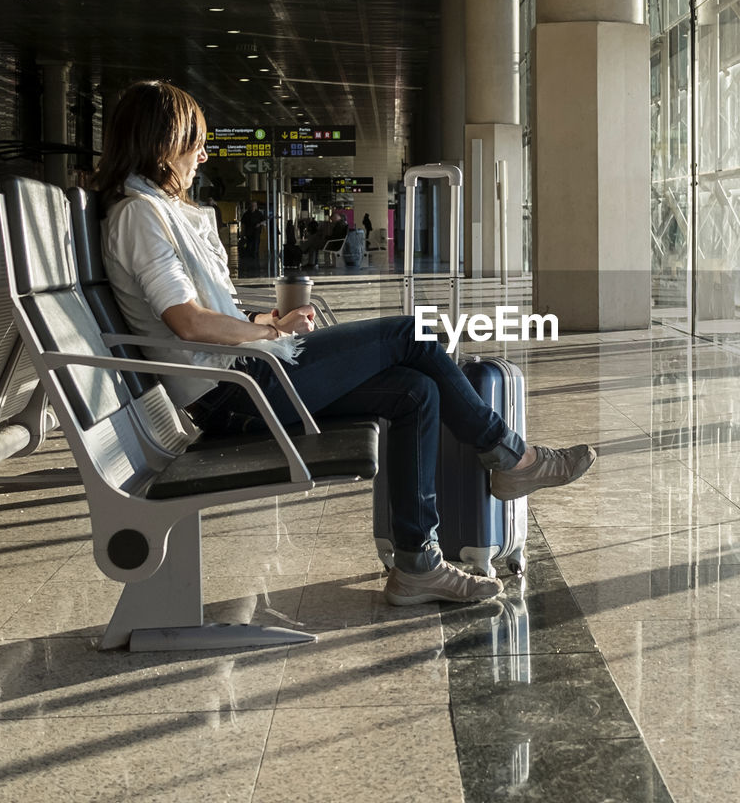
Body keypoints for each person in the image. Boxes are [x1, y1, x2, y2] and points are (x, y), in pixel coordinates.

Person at [94, 80, 596, 605]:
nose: (203, 152)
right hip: (235, 391)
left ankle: (417, 564)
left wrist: (271, 319)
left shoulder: (154, 212)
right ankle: (511, 458)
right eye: (193, 140)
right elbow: (189, 323)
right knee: (411, 333)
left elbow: (202, 313)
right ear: (159, 144)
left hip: (243, 377)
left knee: (415, 393)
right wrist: (270, 333)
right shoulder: (139, 217)